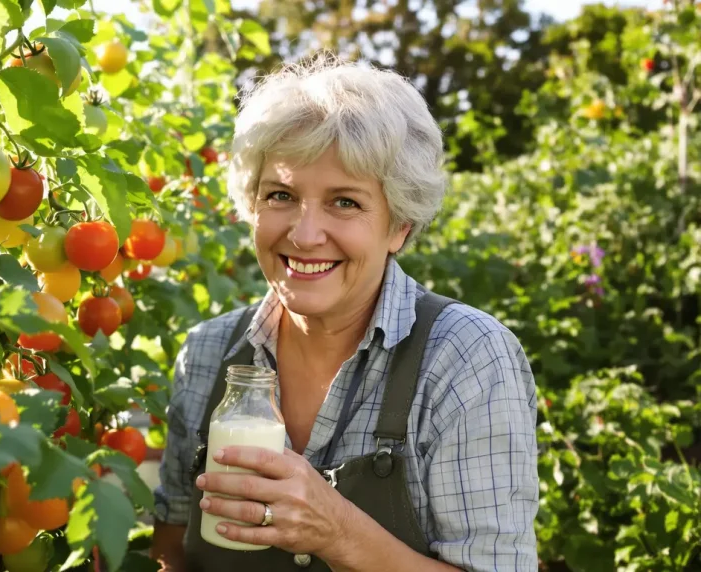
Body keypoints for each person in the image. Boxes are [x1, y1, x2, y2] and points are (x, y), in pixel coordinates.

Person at [150, 54, 539, 572]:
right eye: (281, 195)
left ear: (400, 224)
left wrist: (336, 530)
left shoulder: (465, 360)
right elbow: (171, 553)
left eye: (346, 203)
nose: (305, 235)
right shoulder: (207, 354)